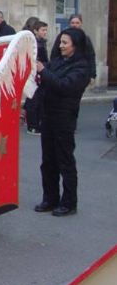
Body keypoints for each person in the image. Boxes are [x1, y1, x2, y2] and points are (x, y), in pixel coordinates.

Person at [34, 27, 90, 217]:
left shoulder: (82, 67)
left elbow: (64, 86)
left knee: (64, 160)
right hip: (48, 114)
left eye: (65, 43)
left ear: (75, 46)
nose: (61, 45)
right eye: (61, 42)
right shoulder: (57, 61)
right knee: (48, 160)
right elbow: (46, 82)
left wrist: (43, 71)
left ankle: (68, 202)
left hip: (64, 117)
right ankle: (50, 198)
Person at [49, 13, 96, 82]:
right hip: (64, 69)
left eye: (77, 23)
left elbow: (91, 56)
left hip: (80, 70)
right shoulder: (62, 36)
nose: (75, 25)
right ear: (69, 24)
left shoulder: (85, 39)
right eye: (72, 23)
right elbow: (55, 53)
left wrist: (92, 74)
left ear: (81, 24)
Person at [25, 20, 49, 135]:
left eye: (46, 30)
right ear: (35, 31)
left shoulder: (41, 43)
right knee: (34, 100)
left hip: (40, 74)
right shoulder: (36, 45)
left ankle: (35, 124)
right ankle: (32, 126)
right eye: (43, 30)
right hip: (35, 75)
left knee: (38, 100)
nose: (45, 32)